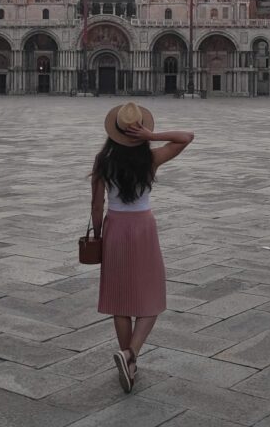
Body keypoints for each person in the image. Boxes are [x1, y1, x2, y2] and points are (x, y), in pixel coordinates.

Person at [91, 101, 194, 393]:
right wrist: (151, 136)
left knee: (119, 298)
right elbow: (187, 136)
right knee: (152, 296)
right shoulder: (151, 159)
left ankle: (128, 360)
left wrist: (98, 237)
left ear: (114, 132)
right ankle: (130, 357)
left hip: (114, 228)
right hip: (143, 228)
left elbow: (96, 205)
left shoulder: (102, 161)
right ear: (137, 130)